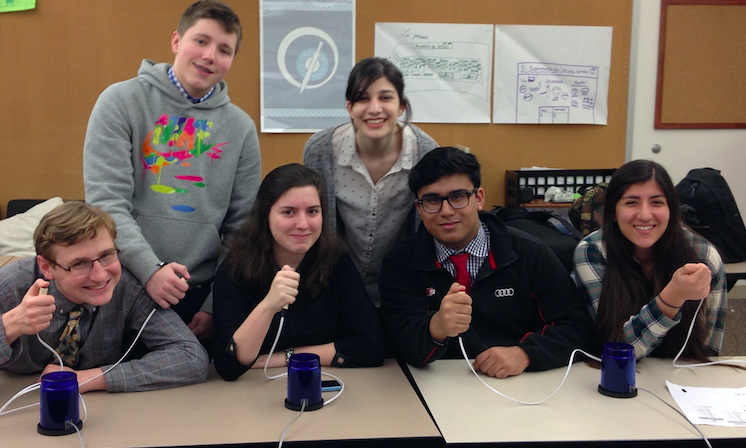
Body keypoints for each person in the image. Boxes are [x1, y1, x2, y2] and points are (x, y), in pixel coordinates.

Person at [83, 0, 261, 345]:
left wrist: (215, 303)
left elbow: (241, 228)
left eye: (224, 49)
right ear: (177, 41)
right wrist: (150, 270)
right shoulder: (120, 102)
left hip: (201, 295)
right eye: (201, 41)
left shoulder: (241, 128)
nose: (210, 55)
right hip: (125, 284)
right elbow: (107, 203)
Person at [380, 147, 592, 378]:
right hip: (435, 386)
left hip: (518, 384)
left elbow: (577, 327)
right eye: (432, 200)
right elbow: (399, 343)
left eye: (458, 197)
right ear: (419, 208)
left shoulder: (528, 252)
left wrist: (525, 354)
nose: (446, 211)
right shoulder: (401, 263)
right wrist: (437, 327)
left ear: (479, 198)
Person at [0, 202, 209, 393]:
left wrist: (90, 379)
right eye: (80, 263)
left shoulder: (128, 287)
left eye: (106, 255)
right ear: (47, 267)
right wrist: (9, 326)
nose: (100, 275)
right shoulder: (10, 287)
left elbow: (191, 356)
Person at [212, 164, 384, 381]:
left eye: (312, 211)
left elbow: (371, 346)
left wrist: (287, 357)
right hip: (252, 394)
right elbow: (228, 365)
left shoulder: (336, 262)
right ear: (265, 214)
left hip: (323, 384)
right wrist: (268, 306)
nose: (302, 224)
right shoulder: (234, 269)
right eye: (288, 212)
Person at [304, 57, 439, 306]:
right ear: (349, 107)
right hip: (336, 289)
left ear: (401, 106)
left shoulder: (426, 153)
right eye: (363, 98)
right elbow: (313, 225)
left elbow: (429, 231)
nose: (374, 108)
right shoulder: (321, 150)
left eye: (385, 97)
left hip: (401, 291)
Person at [573, 160, 726, 361]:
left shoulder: (703, 255)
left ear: (671, 210)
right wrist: (671, 298)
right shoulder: (592, 252)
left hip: (680, 380)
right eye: (631, 202)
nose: (645, 215)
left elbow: (707, 352)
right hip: (614, 378)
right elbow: (616, 351)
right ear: (613, 212)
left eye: (657, 202)